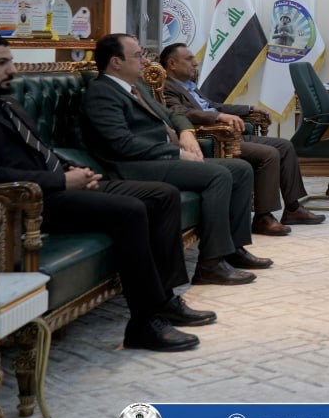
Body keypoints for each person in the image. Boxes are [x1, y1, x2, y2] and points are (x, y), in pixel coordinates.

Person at [0, 31, 214, 352]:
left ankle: (165, 299)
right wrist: (61, 181)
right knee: (130, 210)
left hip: (57, 185)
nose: (12, 70)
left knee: (161, 195)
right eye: (1, 63)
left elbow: (40, 150)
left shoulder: (5, 102)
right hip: (25, 202)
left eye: (11, 61)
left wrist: (73, 170)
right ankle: (143, 324)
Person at [80, 33, 269, 286]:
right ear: (116, 62)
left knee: (241, 169)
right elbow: (122, 144)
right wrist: (176, 153)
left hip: (156, 158)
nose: (145, 61)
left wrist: (186, 132)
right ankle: (210, 264)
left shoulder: (136, 87)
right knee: (219, 174)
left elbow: (171, 114)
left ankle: (233, 249)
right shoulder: (102, 92)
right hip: (132, 167)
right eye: (137, 56)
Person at [159, 42, 324, 235]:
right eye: (189, 59)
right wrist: (219, 117)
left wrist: (249, 109)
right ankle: (263, 218)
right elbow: (180, 112)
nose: (195, 63)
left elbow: (214, 106)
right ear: (172, 64)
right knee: (269, 154)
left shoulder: (189, 85)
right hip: (215, 137)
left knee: (285, 146)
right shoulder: (167, 87)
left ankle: (293, 209)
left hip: (230, 133)